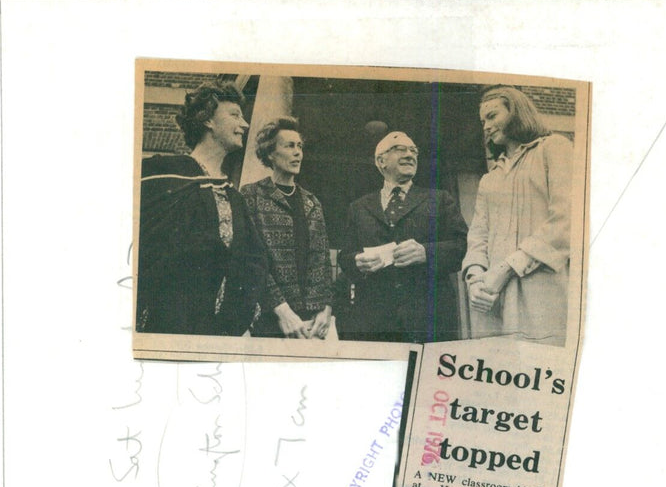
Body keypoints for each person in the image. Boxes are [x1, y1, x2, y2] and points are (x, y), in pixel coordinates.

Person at [136, 81, 268, 337]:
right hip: (168, 326)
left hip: (217, 331)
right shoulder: (161, 175)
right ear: (208, 120)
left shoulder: (234, 198)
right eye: (235, 115)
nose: (245, 125)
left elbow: (254, 261)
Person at [463, 86, 573, 347]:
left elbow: (567, 221)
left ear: (516, 112)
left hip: (541, 295)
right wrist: (475, 279)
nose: (486, 127)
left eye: (492, 116)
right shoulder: (490, 178)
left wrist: (505, 269)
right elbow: (477, 235)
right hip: (491, 302)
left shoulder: (554, 148)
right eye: (482, 122)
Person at [336, 131, 467, 343]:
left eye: (413, 150)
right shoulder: (359, 207)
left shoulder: (440, 199)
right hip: (375, 323)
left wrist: (426, 253)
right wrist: (357, 261)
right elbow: (345, 256)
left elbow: (462, 246)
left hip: (429, 320)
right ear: (381, 161)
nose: (410, 155)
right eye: (400, 149)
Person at [241, 118, 333, 340]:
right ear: (270, 153)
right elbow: (251, 260)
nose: (297, 153)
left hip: (313, 323)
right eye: (289, 146)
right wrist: (281, 309)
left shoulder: (312, 202)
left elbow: (323, 262)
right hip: (271, 319)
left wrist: (326, 308)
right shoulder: (251, 195)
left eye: (299, 146)